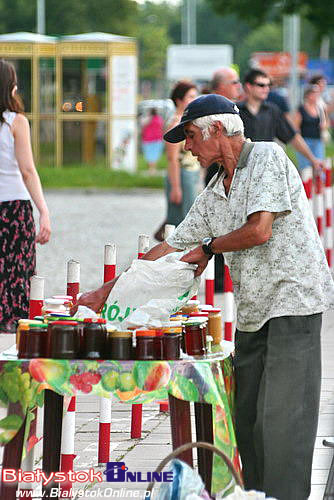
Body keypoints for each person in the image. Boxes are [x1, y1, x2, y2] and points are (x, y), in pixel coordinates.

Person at [73, 94, 334, 500]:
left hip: (293, 300)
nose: (187, 147)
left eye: (191, 136)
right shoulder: (214, 191)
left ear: (217, 130)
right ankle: (257, 495)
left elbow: (259, 229)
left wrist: (210, 248)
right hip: (253, 311)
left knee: (283, 420)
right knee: (247, 422)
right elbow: (171, 247)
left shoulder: (265, 156)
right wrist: (107, 291)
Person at [0, 59, 51, 333]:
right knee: (17, 272)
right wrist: (43, 210)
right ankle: (12, 330)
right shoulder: (16, 122)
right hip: (14, 208)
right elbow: (28, 171)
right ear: (11, 86)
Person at [238, 69, 324, 171]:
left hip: (265, 170)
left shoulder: (273, 111)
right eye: (261, 85)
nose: (266, 89)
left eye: (268, 85)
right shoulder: (236, 111)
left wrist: (313, 159)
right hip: (241, 169)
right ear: (249, 86)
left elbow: (292, 136)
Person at [154, 81, 199, 241]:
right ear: (179, 100)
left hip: (191, 174)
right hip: (181, 175)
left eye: (195, 96)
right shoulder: (175, 124)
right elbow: (172, 159)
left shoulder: (189, 121)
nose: (194, 100)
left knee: (189, 215)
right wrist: (176, 187)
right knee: (181, 218)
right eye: (191, 96)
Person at [293, 85, 327, 172]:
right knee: (305, 168)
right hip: (305, 141)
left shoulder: (320, 108)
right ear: (308, 95)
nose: (316, 96)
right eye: (313, 93)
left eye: (317, 94)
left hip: (318, 141)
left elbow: (326, 122)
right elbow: (296, 126)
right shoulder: (302, 108)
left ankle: (319, 185)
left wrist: (324, 125)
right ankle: (307, 185)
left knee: (319, 166)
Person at [141, 108, 164, 175]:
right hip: (157, 139)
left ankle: (151, 169)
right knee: (155, 154)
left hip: (148, 139)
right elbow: (161, 128)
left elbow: (143, 126)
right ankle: (153, 169)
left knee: (149, 154)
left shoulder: (147, 119)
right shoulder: (159, 119)